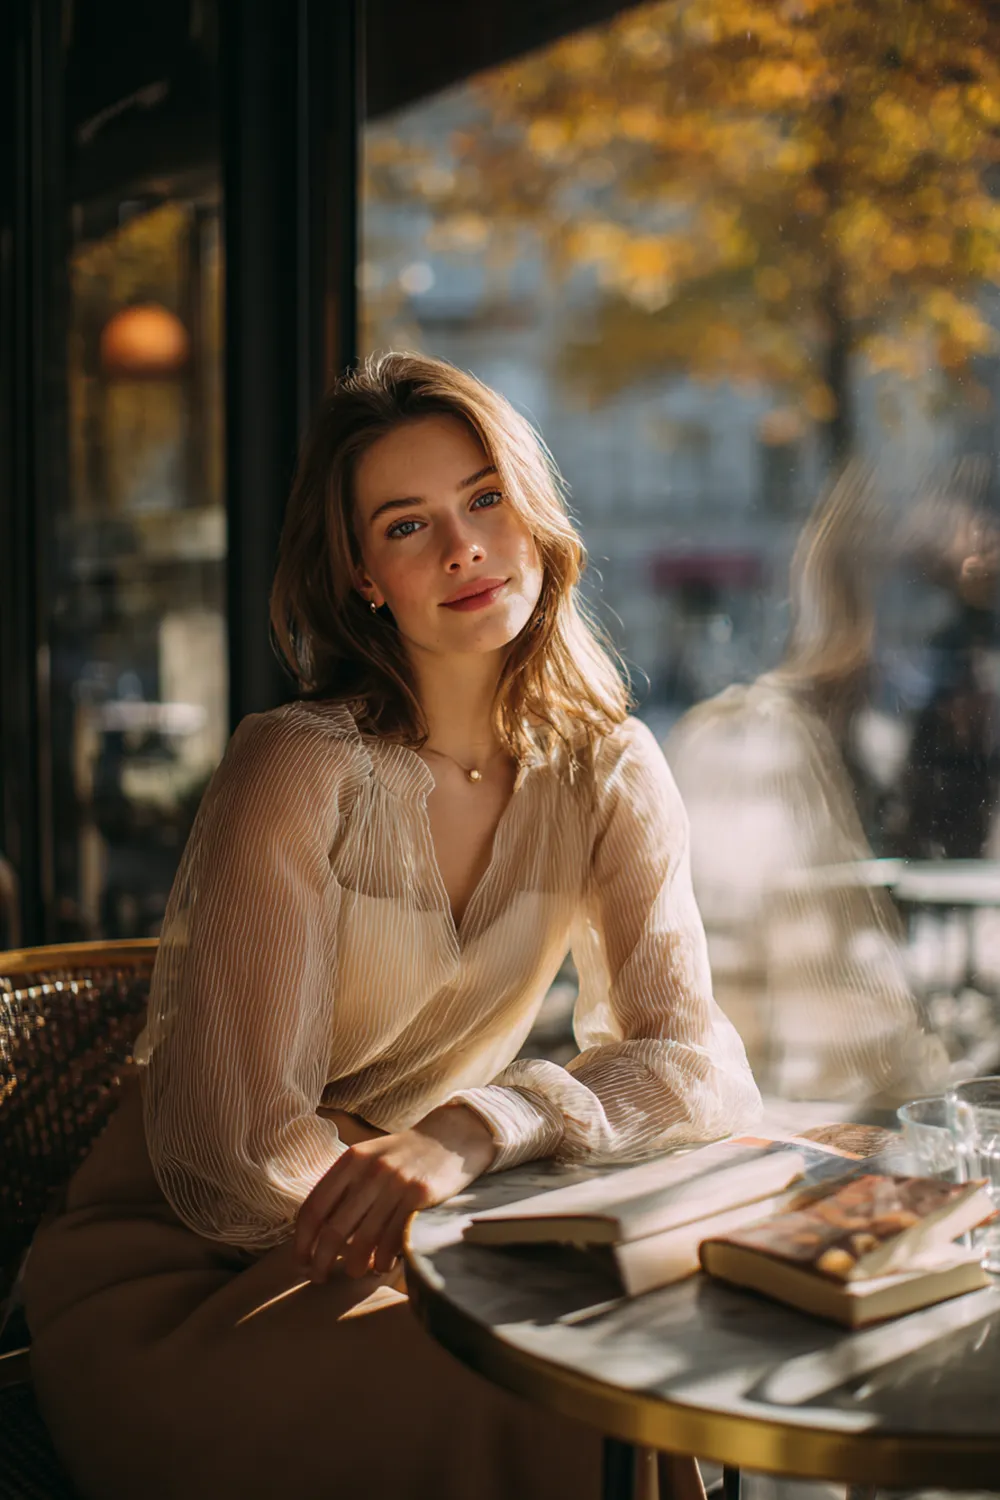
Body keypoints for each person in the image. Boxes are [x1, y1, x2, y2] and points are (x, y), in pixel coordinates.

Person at [23, 352, 760, 1500]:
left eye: (484, 499)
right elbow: (234, 1158)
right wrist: (438, 1228)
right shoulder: (299, 765)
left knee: (641, 1360)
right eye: (407, 526)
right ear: (365, 575)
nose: (462, 546)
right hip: (191, 1280)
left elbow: (694, 1066)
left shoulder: (611, 767)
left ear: (534, 517)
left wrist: (481, 1125)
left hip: (421, 1229)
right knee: (539, 1388)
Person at [667, 466, 949, 1108]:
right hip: (795, 1096)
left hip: (836, 1079)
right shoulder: (749, 741)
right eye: (906, 590)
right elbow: (743, 976)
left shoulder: (877, 722)